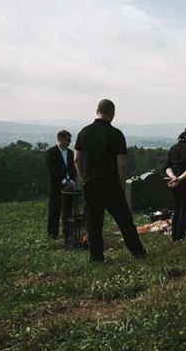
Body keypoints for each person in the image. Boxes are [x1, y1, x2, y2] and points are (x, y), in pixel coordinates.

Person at [74, 99, 146, 262]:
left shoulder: (83, 132)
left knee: (93, 222)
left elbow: (77, 159)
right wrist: (121, 183)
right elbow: (121, 164)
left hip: (90, 183)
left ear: (97, 111)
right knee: (124, 221)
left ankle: (96, 257)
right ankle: (138, 253)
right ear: (112, 113)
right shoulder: (116, 134)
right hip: (110, 183)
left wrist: (84, 178)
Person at [45, 130, 77, 240]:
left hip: (70, 186)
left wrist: (72, 181)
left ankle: (68, 233)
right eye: (67, 139)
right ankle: (52, 233)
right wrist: (64, 182)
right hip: (56, 186)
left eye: (70, 139)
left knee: (68, 211)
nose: (69, 141)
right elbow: (52, 170)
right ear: (60, 139)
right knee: (55, 210)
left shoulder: (70, 153)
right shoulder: (51, 152)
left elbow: (74, 169)